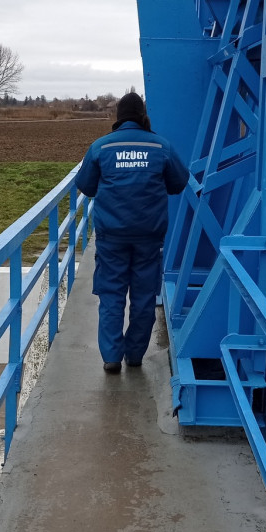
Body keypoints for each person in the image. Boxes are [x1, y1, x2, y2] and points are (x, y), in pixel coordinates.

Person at [75, 92, 189, 373]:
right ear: (142, 116)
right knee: (144, 296)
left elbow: (86, 186)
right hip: (149, 236)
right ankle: (135, 355)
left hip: (111, 237)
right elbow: (178, 183)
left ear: (118, 117)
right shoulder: (160, 146)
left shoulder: (101, 147)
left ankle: (111, 357)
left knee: (111, 295)